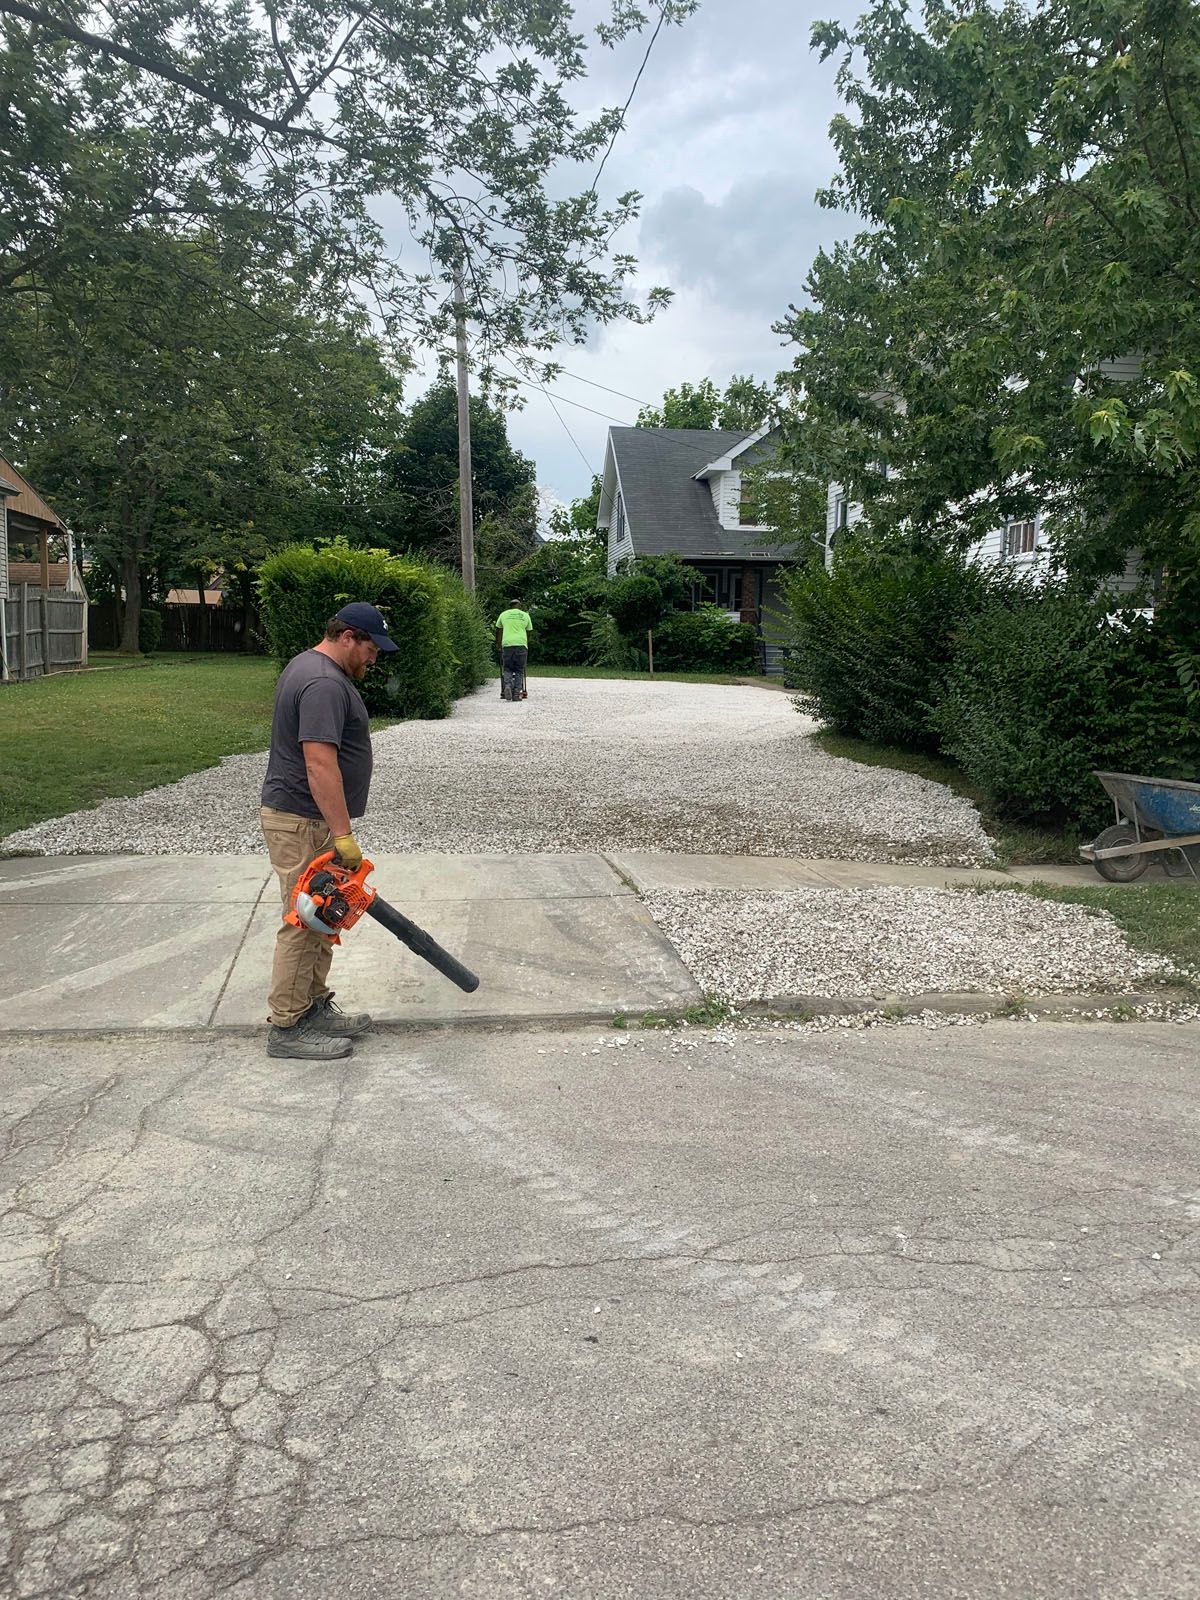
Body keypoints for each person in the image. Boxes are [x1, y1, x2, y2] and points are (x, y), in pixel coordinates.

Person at [259, 602, 398, 1060]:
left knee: (324, 915)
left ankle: (313, 1008)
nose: (375, 657)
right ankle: (288, 1027)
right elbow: (319, 763)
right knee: (304, 920)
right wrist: (342, 835)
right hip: (304, 821)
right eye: (372, 647)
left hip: (309, 819)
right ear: (348, 637)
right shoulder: (322, 683)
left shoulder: (313, 668)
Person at [494, 598, 533, 702]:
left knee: (508, 668)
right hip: (521, 644)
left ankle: (507, 685)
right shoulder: (525, 615)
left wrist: (498, 644)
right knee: (519, 670)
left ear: (510, 606)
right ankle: (516, 694)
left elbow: (498, 631)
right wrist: (526, 643)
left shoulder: (503, 615)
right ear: (519, 605)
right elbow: (529, 632)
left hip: (507, 644)